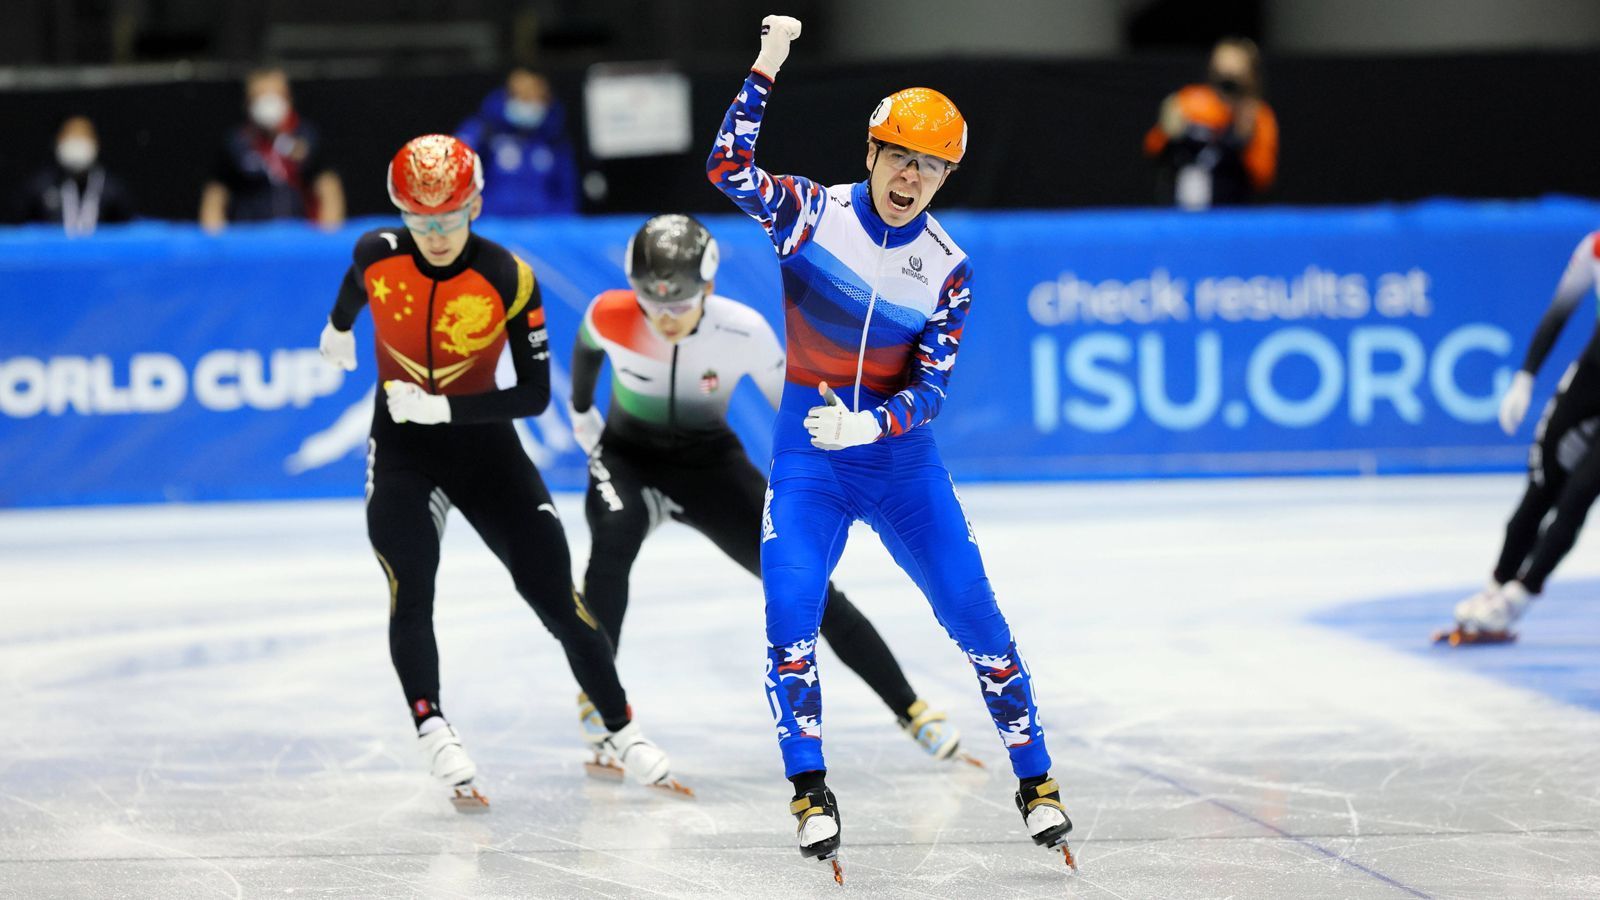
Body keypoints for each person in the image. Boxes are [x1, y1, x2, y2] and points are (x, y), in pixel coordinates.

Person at [707, 15, 1075, 880]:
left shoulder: (948, 266)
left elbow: (934, 387)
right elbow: (728, 168)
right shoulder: (808, 214)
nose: (912, 177)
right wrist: (767, 63)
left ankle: (1037, 782)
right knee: (789, 617)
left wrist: (874, 423)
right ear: (871, 153)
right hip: (809, 464)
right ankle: (810, 790)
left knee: (979, 623)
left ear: (946, 175)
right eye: (899, 157)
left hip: (897, 464)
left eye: (931, 165)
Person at [316, 134, 683, 808]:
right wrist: (338, 329)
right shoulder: (375, 253)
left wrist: (443, 408)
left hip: (487, 454)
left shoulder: (508, 276)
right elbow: (354, 288)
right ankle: (431, 726)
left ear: (475, 205)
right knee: (411, 585)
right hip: (402, 454)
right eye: (419, 220)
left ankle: (623, 729)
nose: (434, 234)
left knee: (560, 602)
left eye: (449, 218)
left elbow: (533, 394)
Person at [569, 212, 973, 765]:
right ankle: (599, 700)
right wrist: (580, 412)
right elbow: (588, 348)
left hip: (709, 468)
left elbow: (794, 404)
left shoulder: (743, 332)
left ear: (708, 288)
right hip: (626, 459)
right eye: (653, 302)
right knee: (610, 546)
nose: (664, 316)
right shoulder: (610, 313)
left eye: (680, 303)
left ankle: (911, 707)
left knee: (804, 582)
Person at [1438, 231, 1600, 645]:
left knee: (1578, 494)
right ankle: (1497, 586)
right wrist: (1525, 375)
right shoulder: (1594, 247)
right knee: (1542, 483)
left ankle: (1519, 597)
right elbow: (1558, 313)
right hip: (1591, 380)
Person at [201, 67, 345, 232]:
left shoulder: (307, 137)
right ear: (248, 103)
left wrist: (326, 241)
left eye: (276, 95)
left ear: (288, 99)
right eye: (261, 97)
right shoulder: (236, 143)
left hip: (299, 237)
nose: (269, 103)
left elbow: (329, 190)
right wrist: (217, 245)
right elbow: (215, 198)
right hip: (250, 238)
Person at [1143, 37, 1278, 210]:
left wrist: (1244, 138)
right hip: (1182, 209)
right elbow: (1153, 147)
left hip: (1231, 212)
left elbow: (1263, 176)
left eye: (1235, 72)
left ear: (1250, 75)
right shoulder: (1189, 101)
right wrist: (1167, 131)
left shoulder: (1258, 115)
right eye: (1222, 67)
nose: (1227, 77)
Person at [456, 68, 579, 217]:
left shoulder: (554, 139)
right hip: (493, 225)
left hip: (544, 227)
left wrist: (560, 225)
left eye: (533, 97)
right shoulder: (485, 129)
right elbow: (455, 168)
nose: (527, 103)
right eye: (520, 96)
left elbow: (567, 191)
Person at [16, 115, 135, 234]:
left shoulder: (113, 190)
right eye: (71, 136)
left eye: (83, 137)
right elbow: (20, 231)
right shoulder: (39, 188)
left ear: (96, 143)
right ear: (58, 142)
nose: (77, 143)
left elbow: (127, 233)